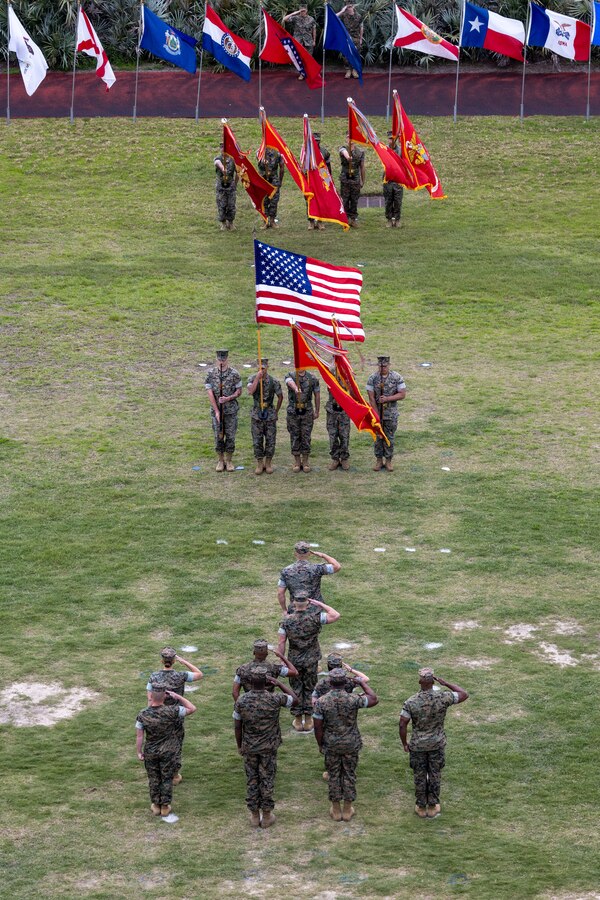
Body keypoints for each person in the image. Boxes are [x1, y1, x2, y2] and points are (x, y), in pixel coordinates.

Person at [399, 667, 469, 819]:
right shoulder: (443, 697)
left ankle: (420, 805)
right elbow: (464, 694)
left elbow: (402, 724)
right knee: (435, 773)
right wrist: (446, 683)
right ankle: (433, 805)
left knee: (419, 774)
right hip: (437, 743)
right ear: (433, 682)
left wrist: (405, 743)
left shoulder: (411, 702)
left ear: (420, 682)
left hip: (417, 745)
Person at [233, 667, 298, 827]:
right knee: (267, 779)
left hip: (249, 746)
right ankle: (267, 815)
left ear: (250, 682)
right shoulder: (275, 698)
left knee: (252, 779)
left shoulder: (241, 701)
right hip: (269, 746)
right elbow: (294, 699)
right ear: (267, 681)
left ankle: (255, 815)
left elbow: (237, 725)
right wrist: (279, 683)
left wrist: (240, 745)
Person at [313, 668, 378, 821]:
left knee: (334, 775)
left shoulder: (321, 702)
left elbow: (317, 727)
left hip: (331, 743)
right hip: (351, 742)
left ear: (329, 682)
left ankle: (336, 810)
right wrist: (361, 683)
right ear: (345, 682)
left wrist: (320, 744)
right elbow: (373, 699)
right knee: (349, 774)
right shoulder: (353, 698)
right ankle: (347, 809)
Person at [277, 591, 340, 732]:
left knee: (296, 688)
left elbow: (281, 643)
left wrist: (282, 660)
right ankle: (309, 719)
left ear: (293, 603)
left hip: (294, 660)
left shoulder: (286, 621)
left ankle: (298, 720)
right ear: (307, 603)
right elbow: (335, 615)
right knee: (310, 687)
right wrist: (320, 604)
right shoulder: (315, 617)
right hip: (312, 659)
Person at [136, 683, 196, 817]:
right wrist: (178, 696)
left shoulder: (142, 714)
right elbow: (192, 708)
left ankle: (155, 805)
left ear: (151, 696)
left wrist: (139, 752)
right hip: (169, 751)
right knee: (166, 778)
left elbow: (140, 736)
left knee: (154, 778)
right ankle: (165, 806)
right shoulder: (173, 711)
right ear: (164, 697)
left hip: (151, 750)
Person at [146, 647, 203, 785]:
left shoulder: (154, 677)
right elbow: (199, 674)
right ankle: (174, 775)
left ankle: (159, 771)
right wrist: (184, 661)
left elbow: (149, 699)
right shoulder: (180, 675)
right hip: (176, 715)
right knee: (175, 744)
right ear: (174, 661)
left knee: (158, 741)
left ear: (162, 661)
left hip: (158, 714)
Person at [312, 653, 370, 782]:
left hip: (328, 716)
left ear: (328, 666)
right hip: (347, 713)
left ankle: (330, 770)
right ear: (341, 666)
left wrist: (317, 707)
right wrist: (350, 670)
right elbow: (365, 679)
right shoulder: (347, 681)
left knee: (329, 740)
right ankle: (348, 770)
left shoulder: (322, 683)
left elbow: (314, 698)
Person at [366, 355, 406, 472]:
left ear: (389, 365)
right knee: (378, 437)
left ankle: (388, 461)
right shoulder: (372, 378)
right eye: (380, 366)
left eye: (385, 366)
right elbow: (371, 397)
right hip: (377, 413)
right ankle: (379, 460)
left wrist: (387, 399)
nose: (382, 368)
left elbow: (402, 394)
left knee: (389, 437)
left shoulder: (396, 377)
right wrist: (376, 413)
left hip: (390, 414)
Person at [205, 349, 242, 472]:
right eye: (220, 359)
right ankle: (220, 460)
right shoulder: (211, 374)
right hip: (217, 412)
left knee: (230, 436)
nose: (222, 361)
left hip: (230, 411)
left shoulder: (234, 374)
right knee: (218, 436)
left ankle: (229, 460)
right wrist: (216, 411)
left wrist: (228, 398)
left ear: (227, 359)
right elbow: (210, 393)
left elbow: (239, 391)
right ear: (217, 359)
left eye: (224, 359)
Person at [278, 540, 341, 612]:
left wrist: (284, 610)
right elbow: (337, 566)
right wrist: (323, 555)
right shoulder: (317, 568)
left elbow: (280, 593)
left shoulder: (286, 571)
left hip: (296, 609)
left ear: (295, 554)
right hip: (315, 610)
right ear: (309, 553)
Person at [247, 357, 283, 475]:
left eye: (264, 367)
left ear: (267, 367)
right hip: (257, 414)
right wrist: (257, 378)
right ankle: (259, 462)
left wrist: (276, 411)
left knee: (270, 440)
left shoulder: (273, 381)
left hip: (269, 414)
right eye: (260, 367)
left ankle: (268, 463)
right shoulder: (252, 378)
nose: (262, 369)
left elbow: (280, 397)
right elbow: (250, 391)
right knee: (257, 440)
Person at [232, 639, 298, 701]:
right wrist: (281, 656)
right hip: (269, 704)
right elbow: (295, 672)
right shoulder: (274, 668)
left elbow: (235, 693)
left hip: (249, 705)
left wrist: (241, 707)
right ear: (267, 653)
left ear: (254, 652)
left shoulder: (242, 669)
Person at [285, 367, 320, 472]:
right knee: (294, 435)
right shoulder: (290, 375)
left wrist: (317, 411)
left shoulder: (312, 378)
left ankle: (305, 461)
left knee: (306, 435)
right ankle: (297, 461)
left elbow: (317, 395)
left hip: (307, 410)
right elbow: (289, 382)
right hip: (293, 411)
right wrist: (295, 388)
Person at [282, 6, 317, 76]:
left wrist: (314, 40)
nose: (302, 12)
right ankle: (302, 73)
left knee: (309, 57)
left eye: (304, 10)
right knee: (300, 58)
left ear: (307, 10)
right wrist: (295, 13)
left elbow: (314, 30)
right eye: (301, 10)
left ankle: (310, 72)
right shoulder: (296, 18)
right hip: (298, 42)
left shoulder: (311, 19)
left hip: (308, 41)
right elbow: (284, 19)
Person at [339, 136, 365, 228]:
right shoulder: (343, 148)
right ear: (346, 139)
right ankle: (345, 219)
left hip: (355, 180)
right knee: (345, 200)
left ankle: (353, 219)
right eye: (348, 137)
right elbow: (343, 152)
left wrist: (363, 180)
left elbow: (362, 167)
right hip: (345, 180)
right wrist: (348, 157)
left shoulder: (360, 152)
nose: (350, 139)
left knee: (354, 200)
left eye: (352, 137)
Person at [307, 132, 332, 231]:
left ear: (320, 141)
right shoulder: (307, 151)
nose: (316, 142)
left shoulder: (324, 152)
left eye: (317, 140)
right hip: (311, 177)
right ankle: (311, 221)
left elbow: (328, 166)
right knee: (310, 200)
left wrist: (328, 180)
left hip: (322, 175)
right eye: (314, 140)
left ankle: (320, 221)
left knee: (321, 199)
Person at [326, 383, 351, 470]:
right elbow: (329, 387)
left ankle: (344, 458)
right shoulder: (330, 372)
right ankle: (335, 459)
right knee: (333, 436)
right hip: (332, 410)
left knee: (344, 435)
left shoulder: (347, 374)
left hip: (344, 409)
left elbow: (350, 388)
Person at [257, 148, 285, 229]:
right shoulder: (259, 152)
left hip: (274, 180)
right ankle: (265, 221)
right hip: (263, 180)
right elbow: (259, 160)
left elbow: (282, 167)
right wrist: (263, 160)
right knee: (264, 201)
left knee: (274, 201)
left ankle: (272, 221)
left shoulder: (278, 153)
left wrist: (280, 180)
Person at [214, 142, 238, 231]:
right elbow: (217, 163)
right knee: (221, 205)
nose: (223, 150)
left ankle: (231, 223)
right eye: (222, 148)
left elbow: (238, 172)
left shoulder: (232, 159)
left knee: (231, 205)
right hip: (221, 187)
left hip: (230, 186)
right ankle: (223, 223)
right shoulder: (218, 158)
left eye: (225, 148)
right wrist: (223, 168)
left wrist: (235, 184)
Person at [383, 131, 403, 228]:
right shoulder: (384, 150)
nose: (392, 140)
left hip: (398, 179)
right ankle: (389, 219)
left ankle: (397, 219)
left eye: (393, 138)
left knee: (398, 200)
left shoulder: (400, 150)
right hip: (388, 179)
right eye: (390, 138)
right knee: (388, 200)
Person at [338, 4, 364, 79]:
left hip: (356, 38)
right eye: (347, 7)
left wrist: (361, 39)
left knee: (356, 54)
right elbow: (335, 17)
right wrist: (342, 11)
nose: (349, 8)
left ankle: (355, 70)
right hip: (346, 38)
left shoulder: (358, 16)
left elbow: (361, 27)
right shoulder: (344, 15)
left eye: (350, 7)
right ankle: (348, 70)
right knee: (346, 55)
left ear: (353, 7)